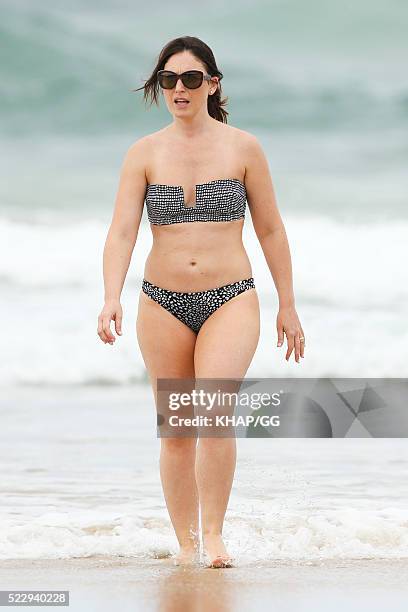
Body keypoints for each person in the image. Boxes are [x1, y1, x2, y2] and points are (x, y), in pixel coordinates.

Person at [97, 36, 305, 568]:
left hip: (230, 298)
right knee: (177, 431)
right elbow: (122, 233)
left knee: (213, 415)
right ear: (160, 87)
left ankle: (213, 535)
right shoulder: (143, 153)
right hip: (160, 301)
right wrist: (110, 297)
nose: (180, 89)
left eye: (191, 79)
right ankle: (186, 542)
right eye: (170, 80)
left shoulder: (243, 148)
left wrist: (287, 305)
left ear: (213, 84)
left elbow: (272, 230)